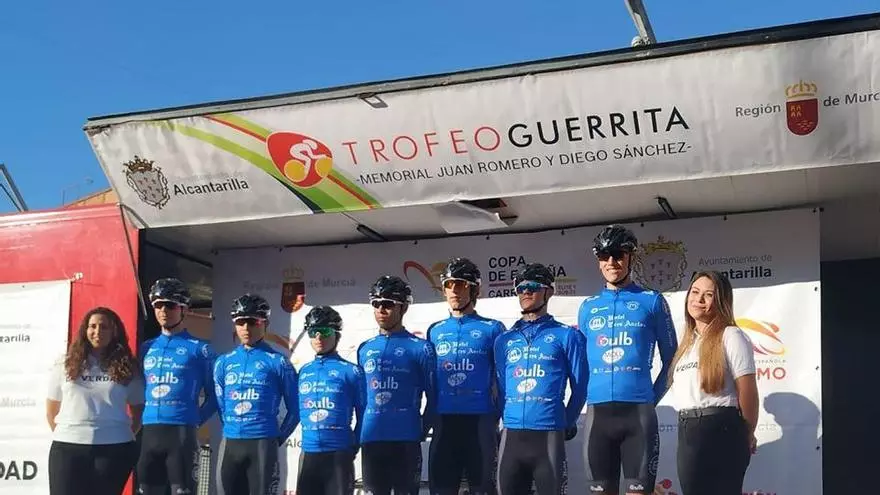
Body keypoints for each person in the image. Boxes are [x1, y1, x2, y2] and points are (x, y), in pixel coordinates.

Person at [578, 225, 679, 495]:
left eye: (618, 254)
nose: (611, 261)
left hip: (638, 415)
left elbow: (673, 358)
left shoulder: (652, 301)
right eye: (604, 255)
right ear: (598, 261)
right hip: (598, 416)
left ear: (631, 257)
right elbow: (582, 365)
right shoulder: (588, 307)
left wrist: (650, 398)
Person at [494, 263, 588, 495]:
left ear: (549, 291)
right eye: (520, 288)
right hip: (511, 435)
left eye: (533, 286)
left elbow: (581, 387)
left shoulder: (568, 335)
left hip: (548, 434)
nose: (526, 292)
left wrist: (564, 422)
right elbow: (502, 388)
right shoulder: (504, 340)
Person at [667, 271, 758, 495]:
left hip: (721, 428)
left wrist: (747, 432)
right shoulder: (687, 344)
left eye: (708, 295)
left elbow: (747, 389)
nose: (699, 299)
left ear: (721, 301)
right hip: (688, 429)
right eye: (695, 292)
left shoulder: (731, 335)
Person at [426, 257, 506, 495]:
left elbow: (503, 379)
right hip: (444, 423)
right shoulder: (435, 330)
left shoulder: (493, 328)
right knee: (441, 489)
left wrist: (501, 415)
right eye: (449, 285)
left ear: (474, 289)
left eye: (461, 284)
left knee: (483, 489)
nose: (454, 291)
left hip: (480, 423)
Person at [46, 307, 144, 495]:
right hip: (67, 447)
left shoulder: (129, 367)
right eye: (92, 326)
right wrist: (74, 432)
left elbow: (138, 411)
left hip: (114, 449)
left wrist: (113, 432)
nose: (97, 331)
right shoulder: (64, 364)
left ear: (114, 331)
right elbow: (51, 411)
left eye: (104, 327)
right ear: (85, 330)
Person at [357, 275, 436, 495]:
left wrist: (421, 430)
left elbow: (434, 398)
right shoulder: (364, 348)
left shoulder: (421, 348)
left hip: (406, 440)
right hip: (371, 439)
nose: (381, 309)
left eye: (388, 304)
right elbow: (360, 399)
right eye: (376, 304)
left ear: (404, 307)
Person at [138, 278, 218, 495]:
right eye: (158, 305)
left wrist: (194, 419)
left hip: (181, 434)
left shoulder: (200, 349)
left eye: (170, 305)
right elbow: (137, 391)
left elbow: (215, 397)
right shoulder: (146, 348)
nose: (164, 311)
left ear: (184, 309)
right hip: (149, 433)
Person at [214, 294, 300, 495]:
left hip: (262, 445)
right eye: (240, 322)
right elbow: (221, 406)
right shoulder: (223, 362)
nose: (246, 328)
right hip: (230, 444)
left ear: (265, 323)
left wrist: (277, 438)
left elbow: (296, 409)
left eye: (253, 322)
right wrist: (233, 428)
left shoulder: (278, 362)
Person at [296, 305, 366, 495]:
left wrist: (353, 446)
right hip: (308, 456)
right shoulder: (304, 371)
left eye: (325, 331)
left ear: (336, 334)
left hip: (338, 457)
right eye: (313, 332)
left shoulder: (352, 371)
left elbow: (364, 415)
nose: (319, 337)